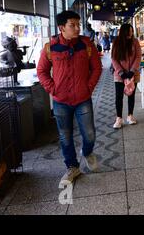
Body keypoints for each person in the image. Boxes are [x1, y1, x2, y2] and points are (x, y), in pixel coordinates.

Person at [37, 11, 102, 185]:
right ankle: (72, 167)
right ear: (61, 28)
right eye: (72, 25)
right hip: (61, 101)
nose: (77, 28)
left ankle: (87, 152)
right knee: (65, 136)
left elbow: (97, 68)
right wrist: (53, 89)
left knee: (89, 134)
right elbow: (41, 71)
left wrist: (88, 88)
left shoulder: (86, 45)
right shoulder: (50, 48)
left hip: (83, 98)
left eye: (78, 24)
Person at [111, 24, 142, 129]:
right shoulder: (116, 42)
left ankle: (130, 116)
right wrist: (121, 72)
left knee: (131, 95)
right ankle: (119, 118)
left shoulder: (135, 42)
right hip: (119, 75)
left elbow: (138, 57)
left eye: (132, 31)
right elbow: (114, 58)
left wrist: (132, 71)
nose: (131, 33)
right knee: (118, 97)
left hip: (133, 74)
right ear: (123, 32)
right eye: (129, 31)